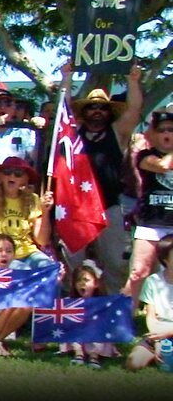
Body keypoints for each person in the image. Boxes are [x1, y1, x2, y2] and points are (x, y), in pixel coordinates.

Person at [62, 62, 143, 294]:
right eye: (92, 107)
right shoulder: (72, 133)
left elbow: (134, 110)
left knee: (116, 263)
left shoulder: (117, 132)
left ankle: (111, 309)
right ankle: (71, 309)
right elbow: (64, 109)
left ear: (109, 112)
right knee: (72, 263)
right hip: (76, 208)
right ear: (84, 111)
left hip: (109, 206)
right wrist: (66, 78)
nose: (97, 111)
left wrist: (133, 81)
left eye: (102, 108)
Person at [126, 111, 173, 298]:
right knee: (138, 272)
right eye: (161, 130)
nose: (167, 134)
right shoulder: (145, 155)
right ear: (153, 135)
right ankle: (126, 320)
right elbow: (162, 166)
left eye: (171, 129)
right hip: (151, 223)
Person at [127, 235, 173, 371]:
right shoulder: (153, 281)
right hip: (158, 332)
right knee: (133, 364)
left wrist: (168, 333)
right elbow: (150, 316)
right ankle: (158, 353)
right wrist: (158, 340)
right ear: (165, 260)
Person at [62, 261, 112, 369]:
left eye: (86, 280)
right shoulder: (69, 302)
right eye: (78, 280)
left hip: (96, 337)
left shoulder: (102, 303)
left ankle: (94, 357)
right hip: (78, 336)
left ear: (96, 284)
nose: (82, 283)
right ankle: (78, 354)